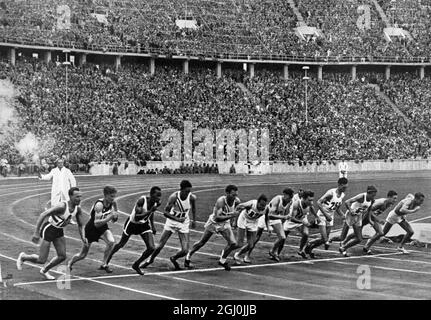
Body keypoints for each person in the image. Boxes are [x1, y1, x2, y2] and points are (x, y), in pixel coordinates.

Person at [16, 187, 86, 280]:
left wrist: (83, 237)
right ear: (70, 196)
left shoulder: (78, 209)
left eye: (80, 196)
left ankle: (44, 271)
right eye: (77, 197)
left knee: (62, 256)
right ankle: (24, 257)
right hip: (49, 229)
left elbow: (81, 225)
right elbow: (43, 214)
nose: (79, 199)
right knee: (41, 259)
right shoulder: (62, 206)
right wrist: (36, 232)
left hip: (59, 230)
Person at [105, 186, 162, 275]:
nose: (159, 198)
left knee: (151, 248)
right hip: (132, 224)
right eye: (157, 196)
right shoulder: (142, 201)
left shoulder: (155, 203)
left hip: (144, 225)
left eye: (160, 196)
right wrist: (150, 210)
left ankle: (136, 264)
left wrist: (153, 226)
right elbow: (137, 217)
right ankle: (107, 260)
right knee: (121, 244)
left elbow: (151, 214)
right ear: (151, 194)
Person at [142, 180, 197, 270]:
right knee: (160, 245)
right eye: (186, 191)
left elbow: (194, 208)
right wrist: (177, 219)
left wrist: (194, 220)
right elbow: (165, 212)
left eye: (189, 191)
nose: (188, 193)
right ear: (181, 190)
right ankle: (150, 260)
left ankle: (174, 258)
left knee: (185, 250)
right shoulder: (174, 197)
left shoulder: (192, 198)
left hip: (183, 223)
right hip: (172, 221)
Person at [185, 185, 241, 271]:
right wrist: (231, 216)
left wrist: (234, 220)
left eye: (236, 195)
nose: (235, 197)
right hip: (214, 223)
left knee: (233, 243)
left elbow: (237, 211)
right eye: (233, 195)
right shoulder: (221, 201)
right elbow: (217, 218)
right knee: (202, 242)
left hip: (225, 223)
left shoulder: (236, 201)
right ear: (227, 193)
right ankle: (188, 256)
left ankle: (222, 260)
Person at [67, 186, 118, 273]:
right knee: (83, 255)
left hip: (103, 227)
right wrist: (110, 217)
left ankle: (104, 264)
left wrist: (115, 216)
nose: (113, 198)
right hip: (91, 229)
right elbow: (96, 223)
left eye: (114, 196)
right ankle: (70, 263)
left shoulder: (113, 203)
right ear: (105, 195)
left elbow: (114, 218)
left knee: (111, 242)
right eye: (111, 196)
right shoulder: (99, 205)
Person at [341, 190, 398, 255]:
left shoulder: (389, 204)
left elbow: (376, 212)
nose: (395, 200)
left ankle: (366, 247)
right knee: (357, 233)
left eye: (396, 198)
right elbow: (369, 211)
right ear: (389, 197)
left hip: (372, 218)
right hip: (364, 216)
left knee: (380, 233)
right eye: (394, 198)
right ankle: (344, 242)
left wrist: (375, 219)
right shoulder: (381, 202)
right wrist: (376, 220)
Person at [305, 178, 348, 258]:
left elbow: (337, 208)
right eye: (343, 187)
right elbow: (318, 202)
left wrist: (343, 216)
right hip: (322, 216)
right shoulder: (331, 193)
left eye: (346, 187)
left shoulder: (342, 195)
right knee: (325, 240)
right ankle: (310, 244)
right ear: (339, 185)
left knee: (324, 239)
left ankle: (310, 245)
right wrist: (326, 215)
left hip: (330, 217)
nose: (345, 189)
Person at [248, 188, 294, 262]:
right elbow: (269, 215)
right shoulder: (277, 199)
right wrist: (282, 217)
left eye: (292, 197)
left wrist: (282, 221)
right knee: (256, 238)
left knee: (282, 237)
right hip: (265, 217)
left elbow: (285, 212)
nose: (291, 199)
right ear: (285, 195)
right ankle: (248, 254)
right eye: (290, 197)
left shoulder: (290, 202)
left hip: (276, 218)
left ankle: (272, 251)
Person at [338, 186, 378, 257]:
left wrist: (369, 220)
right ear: (368, 193)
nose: (373, 197)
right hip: (350, 216)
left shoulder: (372, 200)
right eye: (372, 195)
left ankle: (343, 247)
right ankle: (328, 240)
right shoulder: (361, 197)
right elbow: (347, 202)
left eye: (374, 196)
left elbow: (369, 211)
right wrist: (351, 210)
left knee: (359, 239)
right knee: (342, 237)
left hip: (358, 217)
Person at [233, 195, 269, 264]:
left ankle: (237, 255)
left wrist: (268, 227)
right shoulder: (251, 204)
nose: (262, 207)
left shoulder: (266, 208)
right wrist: (234, 220)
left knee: (251, 245)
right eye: (261, 205)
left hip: (253, 223)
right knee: (239, 243)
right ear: (257, 202)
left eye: (264, 206)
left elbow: (267, 218)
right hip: (243, 219)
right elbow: (238, 206)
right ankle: (225, 252)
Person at [282, 190, 318, 259]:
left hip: (302, 218)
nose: (311, 202)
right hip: (291, 221)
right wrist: (303, 223)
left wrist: (316, 216)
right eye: (309, 200)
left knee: (306, 234)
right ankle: (275, 251)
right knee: (282, 237)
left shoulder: (309, 203)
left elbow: (311, 207)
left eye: (312, 200)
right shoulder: (296, 204)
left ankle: (301, 250)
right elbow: (292, 218)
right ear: (304, 199)